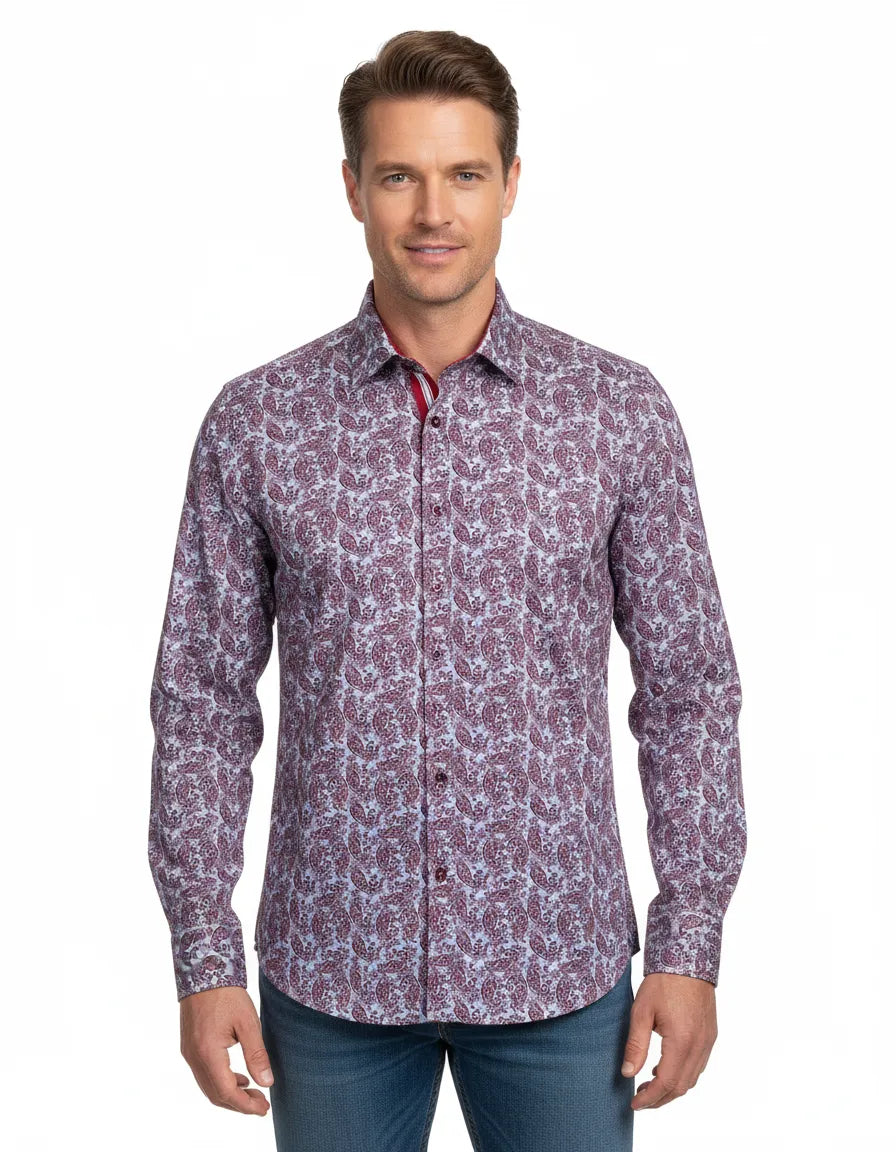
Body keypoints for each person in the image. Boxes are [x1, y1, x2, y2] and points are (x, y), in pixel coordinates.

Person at [148, 28, 747, 1152]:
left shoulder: (616, 413)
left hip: (558, 971)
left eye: (464, 173)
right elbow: (202, 701)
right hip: (330, 976)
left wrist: (689, 942)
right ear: (352, 189)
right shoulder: (257, 424)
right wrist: (203, 955)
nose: (434, 211)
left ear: (511, 184)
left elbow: (688, 690)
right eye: (399, 176)